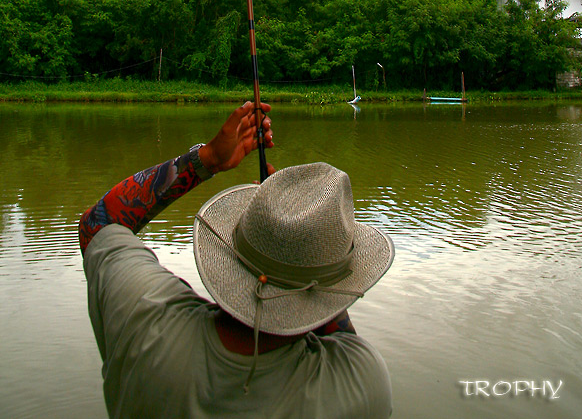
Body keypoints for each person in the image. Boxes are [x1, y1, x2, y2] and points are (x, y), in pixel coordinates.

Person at [80, 100, 394, 419]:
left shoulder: (143, 321)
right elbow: (337, 325)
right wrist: (307, 242)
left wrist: (208, 160)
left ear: (231, 250)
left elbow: (99, 224)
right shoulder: (359, 386)